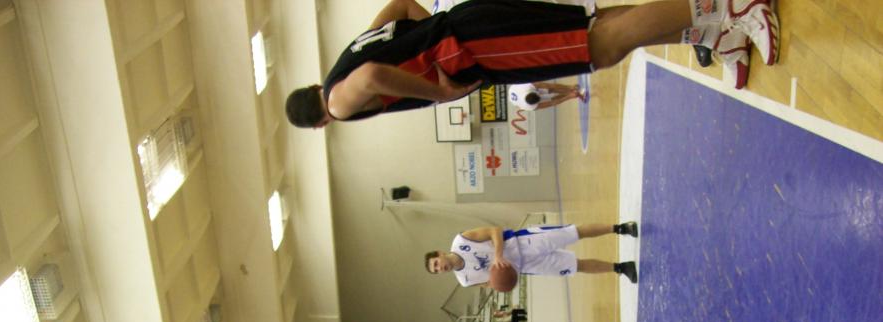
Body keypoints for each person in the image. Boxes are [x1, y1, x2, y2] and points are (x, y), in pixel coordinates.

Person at [286, 0, 780, 127]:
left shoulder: (339, 103)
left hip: (472, 47)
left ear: (319, 122)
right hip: (469, 32)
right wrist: (435, 31)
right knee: (598, 31)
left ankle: (732, 5)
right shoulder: (343, 58)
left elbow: (373, 77)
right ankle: (713, 32)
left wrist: (441, 89)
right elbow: (399, 6)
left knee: (600, 46)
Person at [425, 224, 640, 286]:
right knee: (577, 266)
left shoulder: (462, 241)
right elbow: (490, 283)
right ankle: (621, 268)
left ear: (440, 253)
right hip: (527, 266)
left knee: (574, 233)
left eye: (436, 263)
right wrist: (503, 281)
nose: (439, 268)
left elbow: (494, 230)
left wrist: (498, 255)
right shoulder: (465, 280)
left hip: (523, 243)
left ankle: (620, 228)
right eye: (436, 271)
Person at [508, 81, 587, 111]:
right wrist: (568, 97)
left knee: (551, 90)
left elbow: (549, 85)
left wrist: (569, 87)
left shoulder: (528, 86)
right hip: (520, 103)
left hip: (518, 90)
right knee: (552, 98)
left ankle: (571, 89)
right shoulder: (530, 107)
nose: (540, 95)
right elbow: (552, 103)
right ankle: (571, 93)